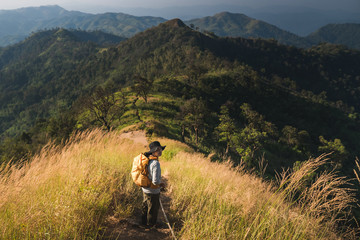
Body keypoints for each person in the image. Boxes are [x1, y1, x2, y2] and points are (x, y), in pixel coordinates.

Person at [141, 141, 166, 227]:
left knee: (146, 206)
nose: (160, 151)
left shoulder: (148, 160)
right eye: (157, 149)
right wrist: (161, 184)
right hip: (152, 190)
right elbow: (155, 181)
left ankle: (143, 222)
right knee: (153, 208)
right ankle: (151, 225)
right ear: (153, 151)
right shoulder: (155, 163)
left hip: (145, 188)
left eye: (160, 149)